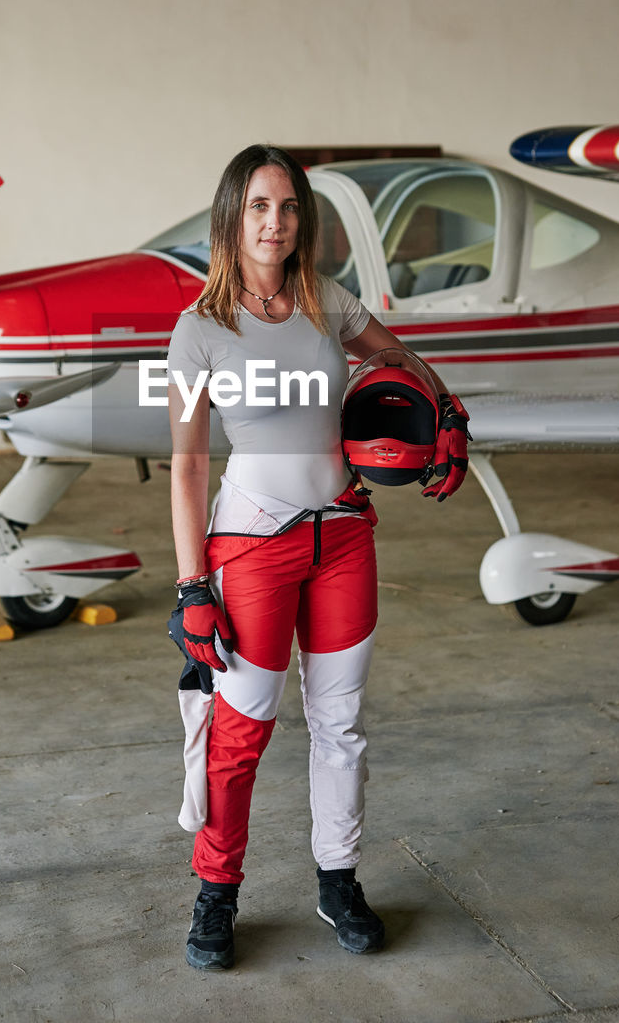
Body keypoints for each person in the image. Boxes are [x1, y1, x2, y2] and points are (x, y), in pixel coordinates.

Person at [166, 145, 469, 970]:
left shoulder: (323, 301)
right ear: (233, 216)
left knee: (342, 726)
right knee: (239, 734)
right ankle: (216, 894)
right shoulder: (198, 331)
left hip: (342, 536)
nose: (275, 222)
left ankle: (338, 880)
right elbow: (189, 466)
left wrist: (446, 414)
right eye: (260, 206)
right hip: (250, 547)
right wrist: (193, 583)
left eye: (289, 207)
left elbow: (400, 358)